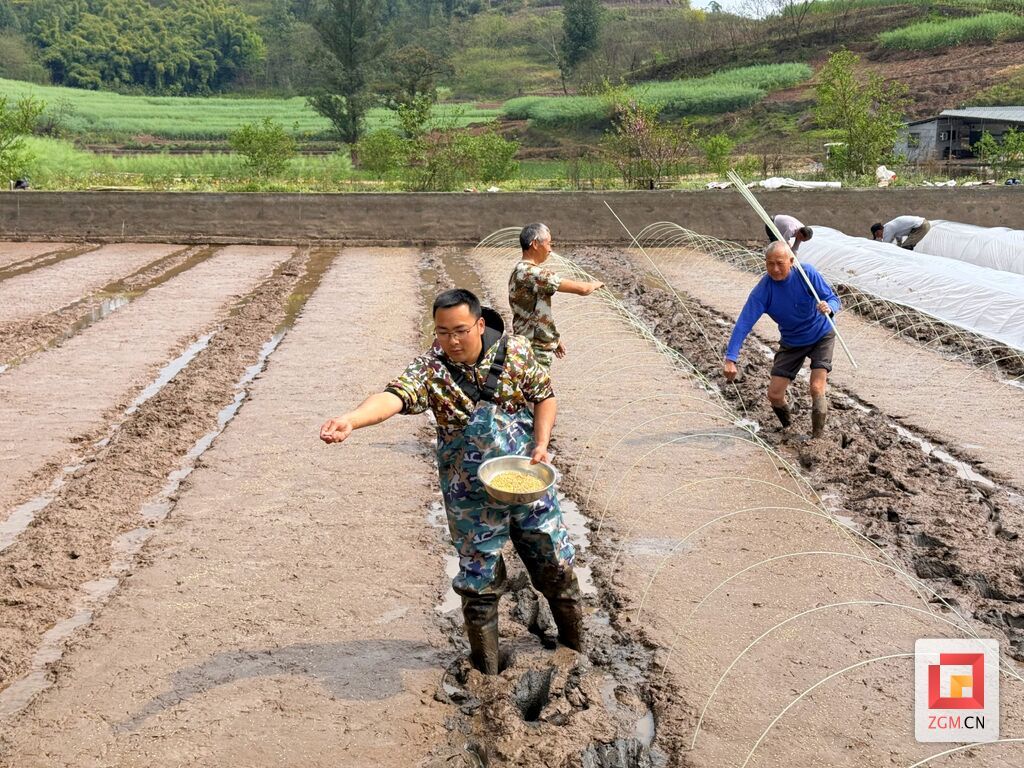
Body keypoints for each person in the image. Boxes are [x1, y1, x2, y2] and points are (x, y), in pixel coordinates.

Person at [319, 288, 583, 675]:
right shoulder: (431, 369)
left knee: (556, 567)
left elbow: (544, 396)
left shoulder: (516, 354)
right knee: (478, 584)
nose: (452, 341)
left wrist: (541, 443)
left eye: (460, 330)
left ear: (479, 324)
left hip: (527, 480)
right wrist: (351, 420)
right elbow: (393, 396)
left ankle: (575, 650)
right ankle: (487, 672)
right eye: (443, 332)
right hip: (470, 495)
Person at [722, 242, 841, 439]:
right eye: (770, 264)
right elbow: (744, 323)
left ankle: (817, 439)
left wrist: (829, 307)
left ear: (791, 261)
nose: (775, 269)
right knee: (774, 395)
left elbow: (833, 298)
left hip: (821, 333)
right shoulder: (763, 291)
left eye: (780, 263)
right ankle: (790, 428)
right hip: (792, 340)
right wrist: (730, 358)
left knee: (816, 387)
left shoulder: (806, 274)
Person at [509, 223, 604, 370]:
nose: (550, 249)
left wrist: (554, 339)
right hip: (534, 347)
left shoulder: (519, 270)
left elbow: (535, 311)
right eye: (548, 243)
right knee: (537, 390)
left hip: (526, 343)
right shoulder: (533, 273)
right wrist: (596, 284)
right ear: (535, 244)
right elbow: (582, 289)